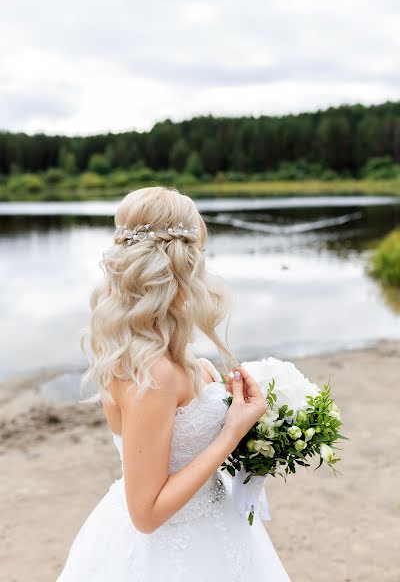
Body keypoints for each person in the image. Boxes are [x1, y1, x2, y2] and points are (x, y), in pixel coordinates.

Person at [56, 186, 291, 581]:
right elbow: (146, 514)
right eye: (200, 252)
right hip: (170, 548)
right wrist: (230, 433)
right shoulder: (153, 371)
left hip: (218, 527)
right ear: (183, 262)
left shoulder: (176, 358)